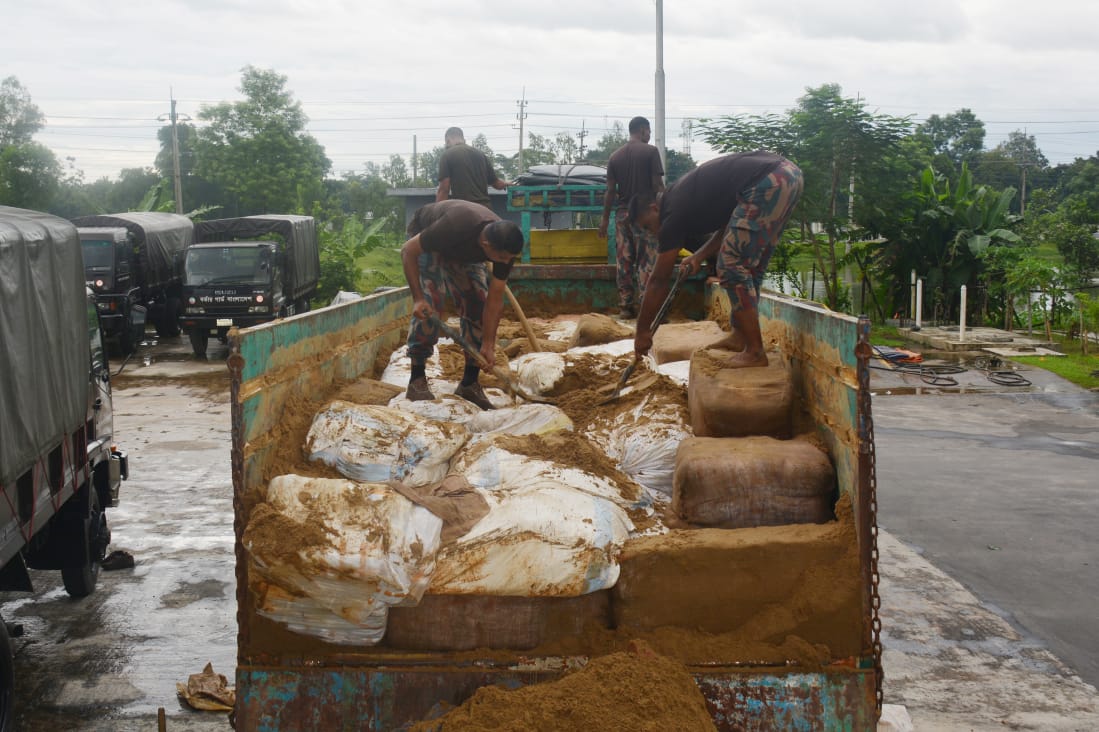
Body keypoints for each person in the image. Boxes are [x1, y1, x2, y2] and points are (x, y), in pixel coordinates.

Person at [629, 151, 803, 369]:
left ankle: (755, 351)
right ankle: (741, 336)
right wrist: (699, 256)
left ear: (654, 208)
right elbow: (731, 225)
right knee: (749, 265)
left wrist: (643, 331)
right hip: (788, 174)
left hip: (768, 180)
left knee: (730, 264)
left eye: (647, 226)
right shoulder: (679, 198)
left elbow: (658, 280)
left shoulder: (671, 214)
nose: (652, 233)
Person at [401, 199, 525, 409]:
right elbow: (408, 251)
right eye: (502, 258)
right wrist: (418, 298)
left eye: (509, 258)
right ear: (487, 245)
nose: (506, 263)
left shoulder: (505, 249)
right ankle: (417, 378)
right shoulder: (455, 224)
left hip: (464, 253)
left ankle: (469, 383)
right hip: (428, 242)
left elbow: (494, 300)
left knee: (477, 302)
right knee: (431, 304)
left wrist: (488, 344)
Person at [598, 116, 665, 319]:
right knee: (647, 262)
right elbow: (658, 187)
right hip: (645, 215)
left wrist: (604, 220)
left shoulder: (614, 157)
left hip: (622, 216)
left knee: (624, 261)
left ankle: (626, 307)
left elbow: (610, 191)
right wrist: (665, 215)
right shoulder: (651, 152)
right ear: (643, 130)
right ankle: (647, 307)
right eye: (649, 131)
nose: (650, 135)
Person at [436, 127, 508, 207]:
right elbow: (497, 184)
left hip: (464, 209)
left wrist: (436, 213)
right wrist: (510, 183)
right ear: (464, 140)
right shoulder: (481, 154)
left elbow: (444, 190)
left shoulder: (447, 154)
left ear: (447, 141)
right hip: (485, 209)